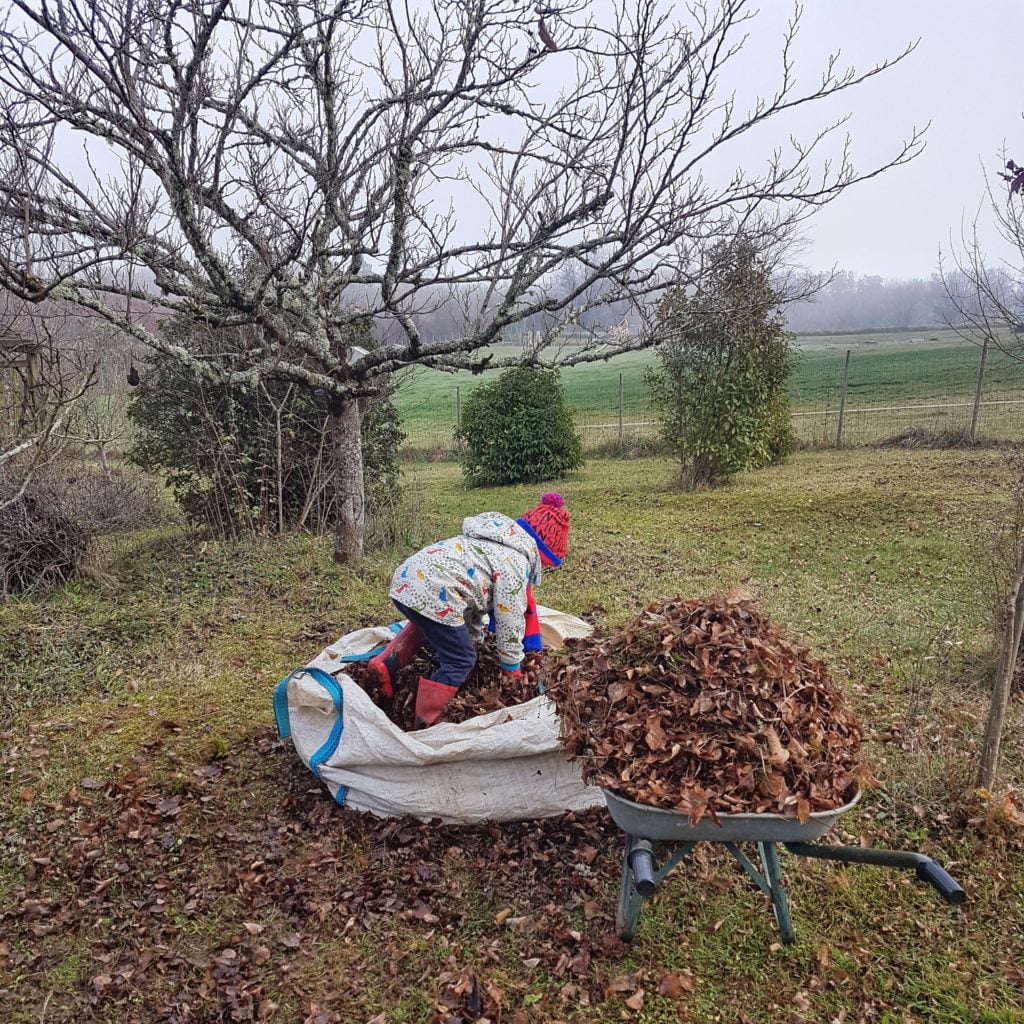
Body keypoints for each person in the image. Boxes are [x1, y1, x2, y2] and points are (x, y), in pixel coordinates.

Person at [367, 492, 571, 727]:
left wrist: (473, 637)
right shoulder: (515, 563)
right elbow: (510, 619)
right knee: (461, 659)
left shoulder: (489, 539)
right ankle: (425, 722)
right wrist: (511, 667)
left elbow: (470, 602)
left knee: (431, 622)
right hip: (437, 593)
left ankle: (385, 663)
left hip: (407, 582)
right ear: (542, 553)